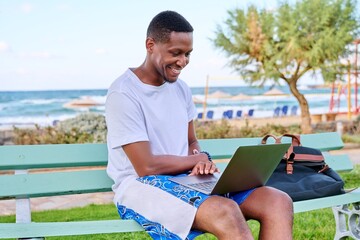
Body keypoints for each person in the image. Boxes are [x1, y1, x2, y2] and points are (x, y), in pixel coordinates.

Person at [105, 10, 293, 240]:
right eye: (176, 53)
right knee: (226, 211)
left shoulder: (180, 88)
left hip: (187, 178)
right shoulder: (123, 93)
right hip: (139, 186)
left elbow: (191, 141)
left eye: (187, 54)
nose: (183, 61)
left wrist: (198, 163)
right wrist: (198, 158)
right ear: (150, 45)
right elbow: (147, 166)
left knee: (278, 202)